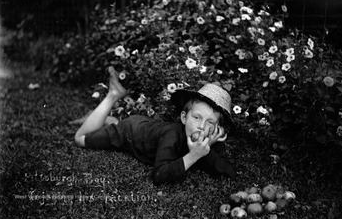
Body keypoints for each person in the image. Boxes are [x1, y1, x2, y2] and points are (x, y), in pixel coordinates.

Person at [74, 66, 236, 185]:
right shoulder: (172, 135)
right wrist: (194, 155)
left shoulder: (211, 139)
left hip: (147, 128)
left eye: (210, 122)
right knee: (80, 139)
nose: (201, 126)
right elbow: (158, 175)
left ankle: (108, 120)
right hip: (129, 132)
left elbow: (228, 172)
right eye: (196, 117)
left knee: (110, 126)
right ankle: (112, 95)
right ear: (184, 117)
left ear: (217, 128)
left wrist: (207, 150)